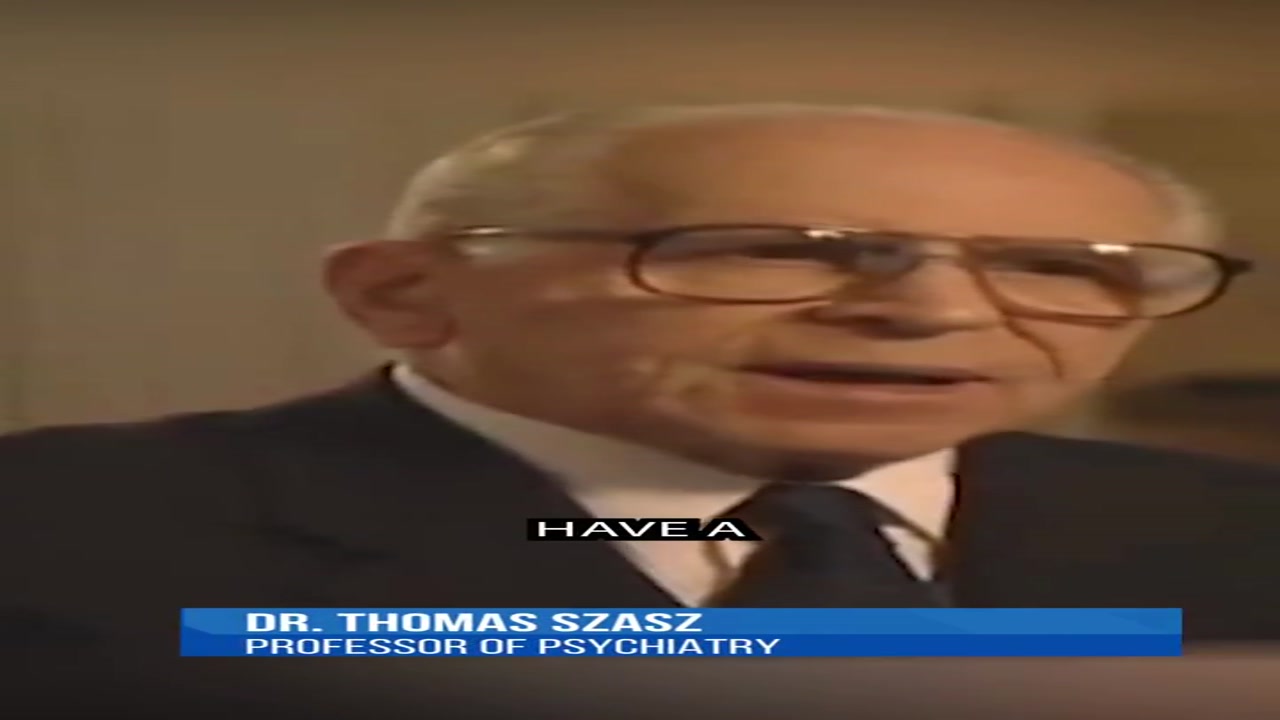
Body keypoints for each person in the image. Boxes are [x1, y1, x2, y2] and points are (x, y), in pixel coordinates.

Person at [4, 104, 1280, 665]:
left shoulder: (1239, 535)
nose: (930, 314)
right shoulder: (54, 536)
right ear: (403, 293)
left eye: (1061, 268)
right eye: (774, 249)